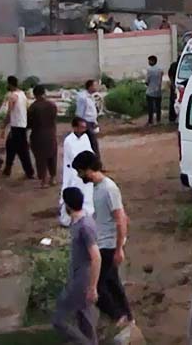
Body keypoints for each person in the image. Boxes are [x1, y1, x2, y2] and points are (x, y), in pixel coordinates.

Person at [72, 151, 132, 327]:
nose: (79, 175)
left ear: (89, 169)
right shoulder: (99, 188)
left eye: (80, 171)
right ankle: (127, 316)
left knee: (95, 286)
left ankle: (117, 316)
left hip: (108, 245)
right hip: (104, 242)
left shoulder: (108, 189)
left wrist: (119, 247)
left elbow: (121, 218)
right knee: (113, 283)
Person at [52, 187, 101, 345]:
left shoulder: (84, 227)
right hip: (80, 277)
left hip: (82, 280)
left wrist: (92, 287)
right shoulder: (82, 222)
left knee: (59, 319)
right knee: (85, 319)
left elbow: (96, 257)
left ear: (67, 205)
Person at [60, 120, 95, 226]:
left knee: (88, 192)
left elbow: (89, 151)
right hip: (73, 172)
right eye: (81, 127)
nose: (84, 130)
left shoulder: (85, 138)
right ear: (75, 128)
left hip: (85, 169)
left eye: (85, 128)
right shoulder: (69, 141)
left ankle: (87, 214)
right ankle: (68, 219)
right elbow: (74, 156)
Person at [1, 76, 33, 178]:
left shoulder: (13, 96)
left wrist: (3, 125)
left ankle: (29, 172)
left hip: (16, 126)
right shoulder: (22, 94)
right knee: (10, 146)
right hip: (22, 125)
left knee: (22, 150)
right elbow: (27, 109)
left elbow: (9, 112)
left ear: (10, 84)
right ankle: (7, 169)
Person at [28, 85, 59, 188]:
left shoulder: (33, 107)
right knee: (52, 156)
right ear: (44, 93)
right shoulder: (52, 105)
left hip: (38, 134)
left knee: (40, 158)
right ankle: (53, 178)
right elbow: (54, 119)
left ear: (34, 95)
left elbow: (29, 123)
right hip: (51, 133)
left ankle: (44, 180)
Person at [75, 80, 101, 159]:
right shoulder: (83, 97)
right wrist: (81, 125)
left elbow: (91, 111)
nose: (97, 87)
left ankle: (95, 164)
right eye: (95, 85)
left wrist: (95, 121)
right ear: (90, 87)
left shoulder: (90, 96)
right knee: (92, 144)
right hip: (85, 123)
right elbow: (80, 112)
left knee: (92, 144)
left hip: (90, 123)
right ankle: (95, 164)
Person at [146, 56, 164, 125]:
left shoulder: (149, 70)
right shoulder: (160, 69)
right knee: (158, 106)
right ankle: (158, 120)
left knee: (150, 107)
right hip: (158, 91)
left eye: (149, 61)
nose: (148, 62)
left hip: (150, 91)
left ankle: (150, 121)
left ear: (152, 61)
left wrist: (147, 83)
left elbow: (147, 81)